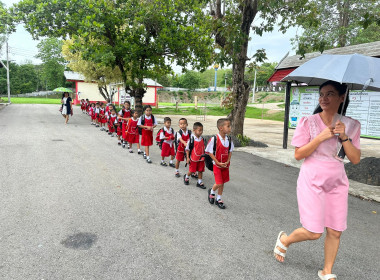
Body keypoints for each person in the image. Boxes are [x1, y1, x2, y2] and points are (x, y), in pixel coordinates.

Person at [273, 81, 361, 280]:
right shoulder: (308, 122)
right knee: (314, 232)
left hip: (337, 182)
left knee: (336, 230)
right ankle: (285, 240)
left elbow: (355, 159)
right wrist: (320, 137)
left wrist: (345, 137)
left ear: (341, 98)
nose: (323, 98)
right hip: (312, 179)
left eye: (330, 94)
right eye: (321, 94)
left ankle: (327, 271)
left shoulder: (352, 125)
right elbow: (298, 154)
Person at [206, 118, 234, 209]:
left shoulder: (229, 139)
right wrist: (217, 162)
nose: (230, 128)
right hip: (217, 165)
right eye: (228, 126)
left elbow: (230, 151)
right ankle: (212, 192)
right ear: (221, 128)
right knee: (219, 182)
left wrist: (228, 161)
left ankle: (219, 198)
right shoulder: (215, 139)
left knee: (223, 182)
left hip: (225, 165)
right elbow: (209, 152)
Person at [184, 122, 206, 189]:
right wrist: (187, 158)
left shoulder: (202, 139)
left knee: (200, 170)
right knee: (192, 170)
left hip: (201, 158)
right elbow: (187, 149)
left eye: (202, 130)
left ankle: (199, 182)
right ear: (194, 130)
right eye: (199, 130)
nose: (201, 132)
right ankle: (187, 177)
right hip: (193, 158)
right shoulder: (191, 140)